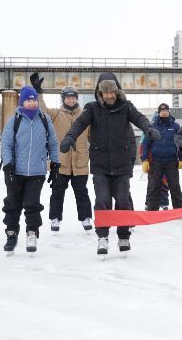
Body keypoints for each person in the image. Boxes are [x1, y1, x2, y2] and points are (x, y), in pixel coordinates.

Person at [59, 73, 160, 256]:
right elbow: (79, 124)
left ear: (117, 91)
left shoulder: (126, 107)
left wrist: (149, 129)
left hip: (121, 164)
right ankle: (103, 237)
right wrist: (70, 137)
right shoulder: (92, 108)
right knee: (102, 200)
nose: (109, 96)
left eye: (112, 92)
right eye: (105, 93)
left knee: (122, 200)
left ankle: (123, 236)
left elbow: (140, 119)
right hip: (100, 164)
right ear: (100, 93)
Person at [30, 73, 93, 232]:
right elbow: (42, 110)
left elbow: (93, 136)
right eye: (68, 98)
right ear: (63, 99)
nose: (71, 100)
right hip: (60, 162)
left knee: (82, 192)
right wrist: (38, 92)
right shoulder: (56, 114)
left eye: (73, 98)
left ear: (77, 99)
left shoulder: (85, 116)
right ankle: (55, 219)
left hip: (80, 162)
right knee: (57, 192)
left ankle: (86, 218)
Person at [0, 86, 60, 254]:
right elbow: (6, 144)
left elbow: (53, 143)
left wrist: (55, 164)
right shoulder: (15, 120)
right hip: (15, 171)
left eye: (34, 100)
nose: (32, 103)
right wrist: (8, 165)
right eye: (28, 100)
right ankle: (11, 234)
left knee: (32, 204)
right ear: (22, 102)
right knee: (12, 204)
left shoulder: (45, 119)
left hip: (37, 171)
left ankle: (32, 233)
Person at [141, 103, 182, 211]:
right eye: (162, 111)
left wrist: (181, 159)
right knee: (154, 186)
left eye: (166, 110)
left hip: (172, 161)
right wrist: (144, 159)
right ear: (159, 112)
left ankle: (179, 209)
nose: (164, 112)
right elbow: (146, 144)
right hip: (156, 162)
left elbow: (180, 144)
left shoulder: (175, 126)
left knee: (175, 186)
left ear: (169, 111)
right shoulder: (152, 127)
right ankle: (152, 210)